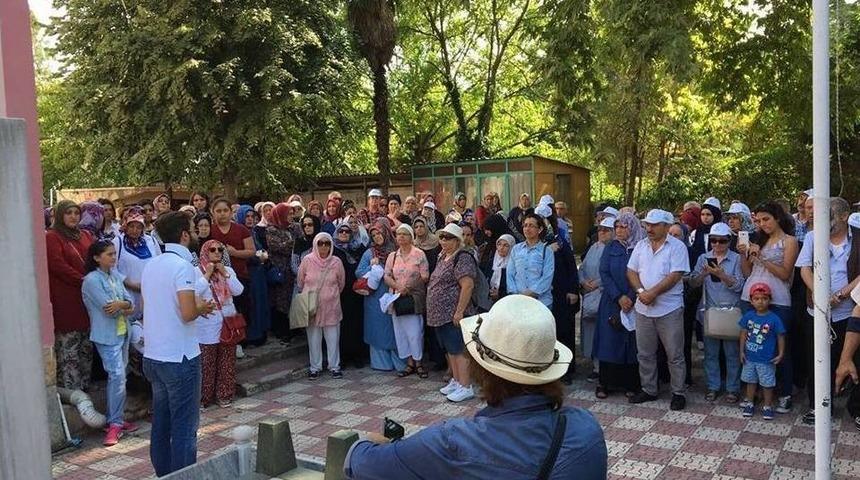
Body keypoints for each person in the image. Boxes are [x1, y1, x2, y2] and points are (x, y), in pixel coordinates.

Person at [344, 295, 608, 480]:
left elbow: (359, 462)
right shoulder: (586, 428)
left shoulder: (453, 442)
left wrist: (372, 440)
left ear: (482, 370)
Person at [141, 211, 216, 476]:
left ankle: (164, 474)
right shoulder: (182, 266)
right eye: (193, 229)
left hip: (154, 355)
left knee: (161, 424)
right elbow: (186, 313)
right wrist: (201, 307)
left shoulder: (151, 265)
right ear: (184, 235)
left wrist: (193, 306)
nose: (196, 233)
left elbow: (156, 306)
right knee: (185, 427)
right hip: (180, 357)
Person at [797, 197, 859, 424]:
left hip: (849, 311)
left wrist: (842, 294)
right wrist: (820, 292)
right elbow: (804, 268)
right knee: (817, 360)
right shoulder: (813, 237)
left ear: (844, 216)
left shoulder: (858, 237)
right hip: (817, 312)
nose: (822, 220)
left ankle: (855, 407)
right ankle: (819, 407)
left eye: (828, 215)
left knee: (851, 358)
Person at [626, 209, 691, 410]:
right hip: (643, 308)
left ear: (666, 226)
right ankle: (649, 389)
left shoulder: (677, 246)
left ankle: (678, 392)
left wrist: (652, 293)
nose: (649, 228)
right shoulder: (640, 245)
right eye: (647, 224)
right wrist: (641, 291)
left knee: (674, 354)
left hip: (669, 308)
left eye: (654, 225)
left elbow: (675, 275)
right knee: (645, 353)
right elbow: (631, 271)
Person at [738, 201, 799, 414]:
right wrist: (744, 254)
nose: (763, 224)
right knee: (753, 344)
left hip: (778, 299)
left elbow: (785, 273)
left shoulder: (790, 241)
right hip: (750, 296)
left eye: (766, 219)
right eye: (759, 220)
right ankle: (753, 392)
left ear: (778, 218)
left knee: (780, 347)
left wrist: (762, 257)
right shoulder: (757, 240)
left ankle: (784, 393)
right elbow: (747, 272)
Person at [81, 240, 137, 446]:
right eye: (109, 254)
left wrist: (121, 304)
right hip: (106, 335)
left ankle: (117, 419)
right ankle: (115, 423)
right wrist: (124, 305)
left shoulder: (114, 276)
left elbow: (130, 304)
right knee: (117, 376)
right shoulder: (91, 280)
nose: (114, 257)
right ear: (97, 257)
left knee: (120, 376)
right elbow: (109, 309)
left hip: (122, 333)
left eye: (114, 253)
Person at [688, 222, 744, 403]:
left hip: (732, 312)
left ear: (729, 241)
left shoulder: (737, 259)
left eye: (722, 241)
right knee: (710, 354)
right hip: (710, 312)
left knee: (732, 354)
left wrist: (722, 275)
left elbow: (740, 286)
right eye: (713, 240)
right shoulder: (703, 258)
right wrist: (704, 274)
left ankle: (733, 388)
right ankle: (713, 386)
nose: (717, 244)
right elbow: (693, 283)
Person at [47, 200, 96, 392]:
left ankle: (84, 390)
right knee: (69, 350)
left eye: (76, 212)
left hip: (87, 300)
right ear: (60, 215)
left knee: (86, 348)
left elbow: (95, 258)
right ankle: (71, 393)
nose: (74, 216)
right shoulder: (52, 236)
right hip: (67, 299)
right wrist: (84, 280)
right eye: (68, 213)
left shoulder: (85, 235)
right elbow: (57, 265)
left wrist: (95, 280)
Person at [427, 223, 478, 402]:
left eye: (448, 238)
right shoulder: (443, 256)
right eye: (441, 237)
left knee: (459, 349)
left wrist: (459, 311)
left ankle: (465, 385)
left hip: (453, 313)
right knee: (450, 349)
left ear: (457, 240)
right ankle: (457, 381)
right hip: (441, 315)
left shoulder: (462, 257)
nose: (443, 241)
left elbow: (467, 285)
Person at [594, 213, 643, 398]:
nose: (619, 230)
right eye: (617, 227)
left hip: (634, 301)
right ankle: (605, 383)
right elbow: (604, 272)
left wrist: (630, 296)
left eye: (624, 227)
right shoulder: (611, 247)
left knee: (630, 343)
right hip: (612, 301)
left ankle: (630, 384)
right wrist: (618, 296)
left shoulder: (640, 248)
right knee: (609, 340)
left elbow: (641, 273)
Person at [195, 240, 244, 408]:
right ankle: (204, 398)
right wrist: (207, 275)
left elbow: (239, 290)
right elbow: (193, 292)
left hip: (227, 323)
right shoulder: (196, 271)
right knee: (206, 364)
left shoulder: (228, 270)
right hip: (206, 325)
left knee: (227, 361)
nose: (217, 252)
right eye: (212, 250)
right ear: (205, 252)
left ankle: (224, 395)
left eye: (220, 250)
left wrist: (226, 274)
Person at [357, 219, 406, 372]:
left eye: (379, 233)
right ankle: (381, 363)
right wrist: (371, 267)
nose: (377, 237)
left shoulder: (398, 251)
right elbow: (358, 272)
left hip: (394, 296)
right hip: (375, 300)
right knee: (378, 329)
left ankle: (401, 363)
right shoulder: (369, 253)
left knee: (396, 330)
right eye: (373, 235)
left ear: (386, 232)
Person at [297, 232, 346, 379]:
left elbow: (341, 283)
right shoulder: (307, 260)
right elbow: (300, 282)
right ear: (315, 244)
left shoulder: (336, 262)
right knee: (313, 338)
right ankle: (315, 367)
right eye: (320, 243)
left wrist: (329, 294)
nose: (324, 246)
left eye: (327, 243)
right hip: (312, 306)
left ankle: (334, 366)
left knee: (333, 338)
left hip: (331, 306)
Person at [384, 224, 430, 378]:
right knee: (401, 332)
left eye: (405, 234)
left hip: (413, 297)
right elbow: (386, 275)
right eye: (398, 234)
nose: (401, 237)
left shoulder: (419, 254)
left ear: (411, 236)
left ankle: (419, 363)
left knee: (415, 332)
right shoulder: (393, 256)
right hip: (397, 297)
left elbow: (425, 276)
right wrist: (398, 286)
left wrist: (408, 287)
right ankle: (409, 363)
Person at [210, 198, 256, 347]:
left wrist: (234, 252)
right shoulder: (210, 230)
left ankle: (240, 341)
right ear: (213, 213)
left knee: (242, 308)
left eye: (225, 210)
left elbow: (251, 251)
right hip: (215, 279)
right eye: (218, 211)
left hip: (239, 276)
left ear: (231, 212)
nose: (222, 214)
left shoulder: (241, 229)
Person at [739, 283, 786, 420]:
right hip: (749, 358)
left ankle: (767, 406)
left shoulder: (774, 319)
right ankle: (749, 403)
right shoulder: (748, 316)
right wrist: (741, 351)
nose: (760, 302)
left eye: (764, 298)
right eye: (757, 299)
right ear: (751, 301)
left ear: (770, 300)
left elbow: (780, 336)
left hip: (766, 359)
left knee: (767, 384)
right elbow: (743, 333)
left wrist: (781, 353)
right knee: (750, 381)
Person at [580, 217, 615, 383]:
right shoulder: (594, 247)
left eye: (606, 230)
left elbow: (613, 272)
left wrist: (598, 284)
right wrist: (583, 282)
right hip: (590, 294)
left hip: (605, 295)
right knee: (591, 331)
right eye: (600, 229)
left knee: (606, 333)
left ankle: (606, 368)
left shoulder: (615, 248)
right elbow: (583, 268)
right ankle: (596, 366)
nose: (602, 232)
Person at [113, 213, 162, 320]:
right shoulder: (118, 242)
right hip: (128, 292)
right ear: (126, 226)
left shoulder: (151, 241)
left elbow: (160, 263)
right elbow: (112, 268)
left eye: (139, 227)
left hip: (150, 291)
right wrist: (130, 284)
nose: (135, 230)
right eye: (131, 226)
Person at [333, 222, 369, 368]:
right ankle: (343, 356)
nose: (344, 233)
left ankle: (357, 355)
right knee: (342, 325)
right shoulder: (333, 250)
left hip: (356, 293)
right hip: (340, 293)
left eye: (347, 231)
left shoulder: (358, 249)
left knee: (356, 323)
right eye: (341, 231)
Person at [506, 213, 554, 308]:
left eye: (531, 226)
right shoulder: (516, 249)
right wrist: (515, 294)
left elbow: (547, 277)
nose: (527, 229)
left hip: (541, 303)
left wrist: (530, 293)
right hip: (518, 302)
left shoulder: (547, 251)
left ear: (540, 229)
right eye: (525, 225)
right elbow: (510, 273)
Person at [266, 203, 296, 345]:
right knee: (280, 302)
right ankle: (282, 332)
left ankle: (293, 329)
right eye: (289, 214)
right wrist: (293, 242)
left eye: (292, 214)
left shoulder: (294, 228)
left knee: (292, 300)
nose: (291, 217)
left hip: (293, 270)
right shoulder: (271, 230)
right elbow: (277, 247)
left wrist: (290, 243)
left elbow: (300, 243)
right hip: (280, 271)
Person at [488, 234, 515, 303]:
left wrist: (499, 294)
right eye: (499, 244)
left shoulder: (514, 266)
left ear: (511, 248)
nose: (501, 248)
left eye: (506, 245)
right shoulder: (492, 262)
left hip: (507, 301)